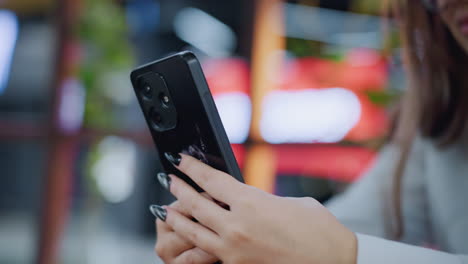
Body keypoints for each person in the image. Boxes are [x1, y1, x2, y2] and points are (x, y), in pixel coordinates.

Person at [149, 0, 468, 263]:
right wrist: (236, 237)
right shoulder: (446, 114)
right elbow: (361, 221)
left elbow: (340, 243)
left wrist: (342, 255)